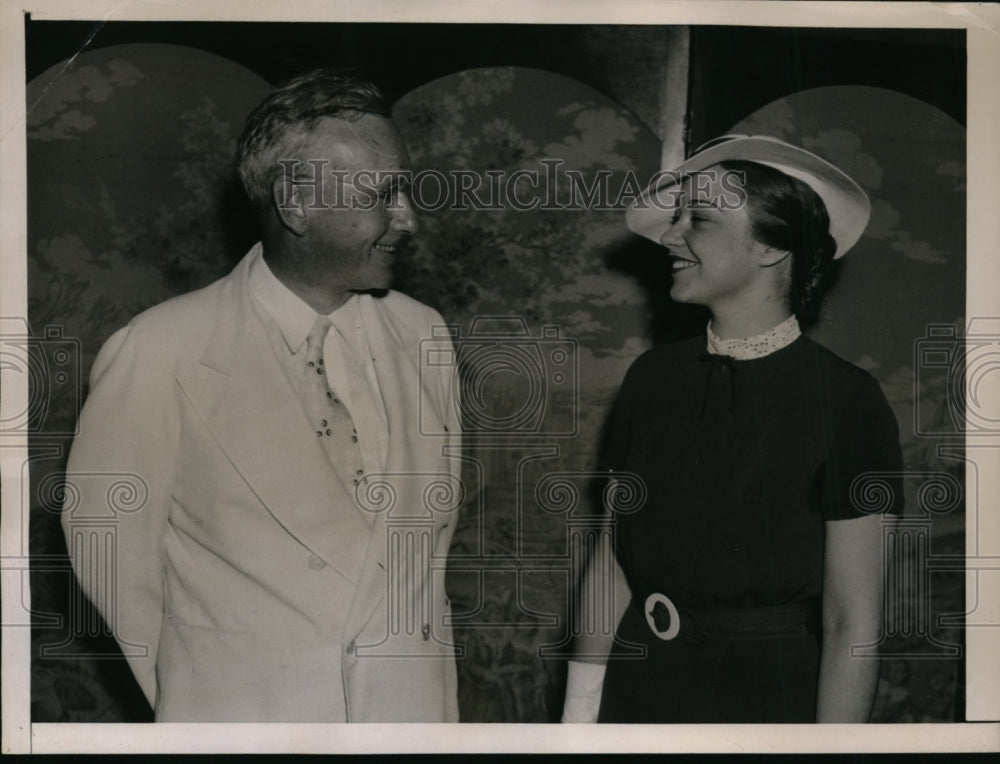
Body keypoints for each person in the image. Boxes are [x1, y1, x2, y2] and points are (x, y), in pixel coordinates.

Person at [61, 71, 462, 722]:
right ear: (296, 203)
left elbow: (427, 562)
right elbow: (111, 564)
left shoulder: (424, 336)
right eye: (382, 195)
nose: (407, 219)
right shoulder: (159, 351)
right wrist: (203, 700)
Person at [562, 135, 903, 723]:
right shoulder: (651, 378)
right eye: (677, 218)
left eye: (700, 220)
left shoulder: (848, 400)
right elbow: (612, 560)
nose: (671, 236)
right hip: (638, 685)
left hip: (766, 701)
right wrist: (578, 717)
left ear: (772, 247)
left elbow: (852, 621)